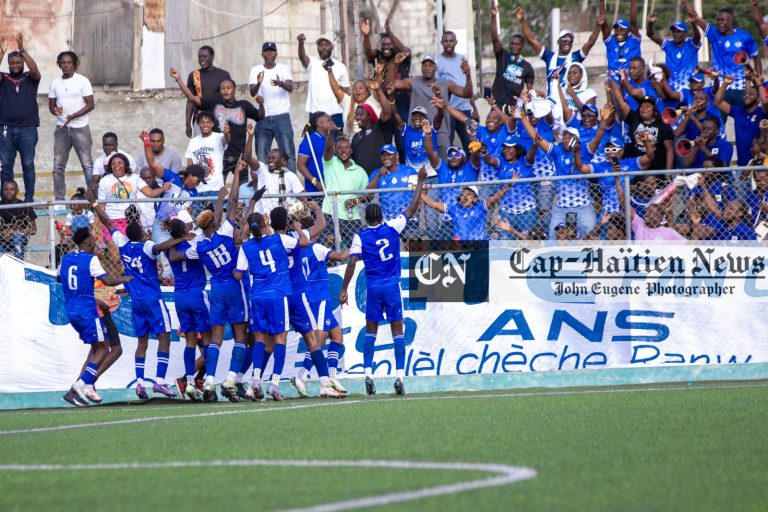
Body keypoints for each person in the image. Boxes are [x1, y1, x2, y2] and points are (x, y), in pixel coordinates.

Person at [88, 190, 187, 399]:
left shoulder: (123, 245)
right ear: (142, 233)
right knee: (164, 337)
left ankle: (140, 383)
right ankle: (159, 381)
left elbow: (108, 223)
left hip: (136, 301)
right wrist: (183, 237)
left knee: (142, 342)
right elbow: (161, 246)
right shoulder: (148, 246)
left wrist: (95, 203)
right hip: (152, 298)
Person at [339, 167, 427, 396]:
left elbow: (351, 263)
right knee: (398, 331)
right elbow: (413, 207)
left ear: (367, 218)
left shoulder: (360, 236)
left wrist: (344, 288)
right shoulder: (393, 227)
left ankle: (368, 374)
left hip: (374, 288)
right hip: (391, 287)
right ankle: (399, 377)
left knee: (371, 332)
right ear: (382, 216)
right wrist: (419, 182)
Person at [234, 207, 312, 401]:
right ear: (265, 224)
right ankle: (275, 384)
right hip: (278, 294)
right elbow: (304, 242)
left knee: (259, 340)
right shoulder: (279, 239)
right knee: (280, 339)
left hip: (258, 296)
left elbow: (238, 274)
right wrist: (299, 228)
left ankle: (256, 379)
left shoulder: (246, 247)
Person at [59, 228, 132, 406]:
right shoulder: (90, 259)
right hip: (88, 310)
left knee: (97, 347)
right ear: (88, 243)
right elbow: (107, 281)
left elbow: (58, 279)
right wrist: (125, 279)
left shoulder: (66, 258)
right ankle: (81, 385)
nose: (96, 243)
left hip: (72, 309)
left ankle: (84, 386)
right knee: (104, 348)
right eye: (93, 241)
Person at [290, 215, 350, 396]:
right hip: (319, 299)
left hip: (312, 297)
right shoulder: (316, 247)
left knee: (337, 335)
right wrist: (354, 247)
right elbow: (340, 256)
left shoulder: (297, 249)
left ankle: (332, 377)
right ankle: (301, 375)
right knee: (319, 340)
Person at [171, 67, 262, 181]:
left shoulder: (244, 105)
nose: (225, 90)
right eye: (222, 88)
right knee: (219, 190)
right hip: (220, 157)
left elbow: (260, 116)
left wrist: (261, 104)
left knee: (242, 192)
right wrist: (178, 79)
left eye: (228, 88)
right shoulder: (214, 104)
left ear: (234, 90)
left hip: (240, 156)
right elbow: (192, 98)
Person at [517, 109, 596, 238]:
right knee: (552, 238)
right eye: (565, 136)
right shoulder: (557, 151)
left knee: (589, 237)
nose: (567, 138)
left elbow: (598, 139)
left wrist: (603, 122)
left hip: (584, 206)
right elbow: (538, 138)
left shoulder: (585, 152)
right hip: (561, 206)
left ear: (578, 140)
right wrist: (523, 119)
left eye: (570, 136)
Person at [393, 55, 473, 158]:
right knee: (418, 163)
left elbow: (466, 93)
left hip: (440, 130)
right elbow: (392, 85)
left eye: (430, 65)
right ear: (421, 68)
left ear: (436, 67)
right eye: (425, 65)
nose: (427, 68)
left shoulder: (446, 83)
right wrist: (394, 65)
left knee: (443, 162)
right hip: (418, 130)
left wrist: (468, 76)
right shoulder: (413, 82)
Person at [685, 2, 761, 107]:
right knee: (718, 121)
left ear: (731, 21)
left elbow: (756, 57)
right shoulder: (714, 34)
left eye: (722, 20)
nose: (719, 23)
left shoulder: (744, 36)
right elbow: (694, 15)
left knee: (742, 120)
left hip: (740, 88)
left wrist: (758, 81)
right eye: (718, 20)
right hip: (720, 88)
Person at [167, 218, 210, 401]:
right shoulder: (194, 244)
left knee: (190, 342)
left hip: (180, 297)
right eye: (186, 226)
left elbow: (173, 250)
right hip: (196, 295)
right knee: (211, 342)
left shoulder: (171, 249)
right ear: (184, 231)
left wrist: (180, 236)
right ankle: (203, 383)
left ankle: (191, 381)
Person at [515, 7, 603, 95]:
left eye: (570, 41)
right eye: (564, 40)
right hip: (552, 103)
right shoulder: (549, 56)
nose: (567, 43)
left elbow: (590, 43)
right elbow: (532, 40)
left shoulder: (575, 57)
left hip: (569, 103)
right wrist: (522, 21)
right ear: (558, 41)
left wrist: (598, 26)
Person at [48, 50, 95, 202]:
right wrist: (56, 110)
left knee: (87, 165)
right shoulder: (55, 83)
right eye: (63, 63)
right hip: (61, 129)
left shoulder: (82, 81)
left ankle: (93, 200)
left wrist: (74, 115)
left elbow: (90, 105)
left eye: (69, 62)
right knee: (58, 166)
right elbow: (51, 106)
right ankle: (59, 200)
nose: (66, 65)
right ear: (59, 64)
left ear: (74, 64)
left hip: (80, 127)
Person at [360, 16, 412, 152]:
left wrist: (389, 31)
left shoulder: (403, 57)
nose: (386, 47)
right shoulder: (379, 57)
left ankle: (404, 170)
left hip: (401, 104)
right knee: (384, 144)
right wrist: (366, 36)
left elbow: (403, 48)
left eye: (389, 44)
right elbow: (368, 53)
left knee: (402, 144)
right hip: (383, 106)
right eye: (383, 44)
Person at [0, 33, 41, 202]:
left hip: (28, 128)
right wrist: (2, 55)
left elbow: (35, 69)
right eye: (12, 63)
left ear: (22, 63)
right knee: (6, 167)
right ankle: (5, 201)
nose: (15, 65)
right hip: (5, 129)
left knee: (28, 165)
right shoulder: (3, 78)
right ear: (8, 64)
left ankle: (29, 200)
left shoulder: (29, 78)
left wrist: (22, 50)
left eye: (18, 62)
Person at [248, 42, 296, 172]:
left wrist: (280, 83)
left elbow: (291, 87)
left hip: (282, 116)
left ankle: (293, 190)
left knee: (288, 154)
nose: (269, 54)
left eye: (272, 51)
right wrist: (259, 83)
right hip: (263, 118)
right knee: (262, 156)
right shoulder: (255, 70)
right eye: (267, 51)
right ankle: (264, 188)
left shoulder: (283, 68)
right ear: (262, 54)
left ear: (276, 54)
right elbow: (252, 92)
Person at [321, 134, 369, 248]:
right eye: (339, 148)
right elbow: (328, 148)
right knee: (325, 249)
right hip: (329, 213)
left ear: (351, 150)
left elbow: (369, 195)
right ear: (335, 150)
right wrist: (330, 131)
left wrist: (356, 201)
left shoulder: (360, 171)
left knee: (357, 251)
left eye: (346, 147)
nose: (343, 151)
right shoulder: (330, 163)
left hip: (351, 218)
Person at [243, 124, 301, 217]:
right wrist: (250, 136)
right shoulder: (263, 169)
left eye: (274, 158)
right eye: (269, 158)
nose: (270, 160)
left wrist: (303, 208)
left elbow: (302, 195)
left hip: (281, 219)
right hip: (262, 218)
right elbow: (247, 158)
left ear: (284, 162)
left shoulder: (291, 176)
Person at [609, 90, 674, 171]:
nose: (644, 108)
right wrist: (612, 83)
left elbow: (669, 149)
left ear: (654, 110)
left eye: (648, 106)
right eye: (642, 106)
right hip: (636, 168)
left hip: (656, 169)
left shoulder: (662, 125)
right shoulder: (634, 118)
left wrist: (668, 172)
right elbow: (621, 103)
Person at [421, 183, 510, 241]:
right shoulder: (455, 208)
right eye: (462, 194)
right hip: (461, 247)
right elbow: (433, 204)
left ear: (475, 199)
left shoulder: (480, 207)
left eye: (469, 194)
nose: (464, 197)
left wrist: (507, 186)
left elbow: (495, 198)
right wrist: (419, 191)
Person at [613, 173, 687, 241]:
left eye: (655, 183)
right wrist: (617, 178)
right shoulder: (634, 205)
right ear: (641, 185)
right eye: (652, 184)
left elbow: (669, 226)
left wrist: (669, 212)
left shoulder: (659, 201)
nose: (655, 186)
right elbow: (623, 202)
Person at [298, 33, 350, 127]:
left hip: (336, 113)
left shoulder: (340, 66)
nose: (323, 47)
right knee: (316, 141)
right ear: (318, 48)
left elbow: (345, 89)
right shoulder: (312, 62)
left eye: (326, 44)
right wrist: (301, 43)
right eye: (321, 45)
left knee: (336, 141)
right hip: (316, 113)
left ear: (332, 47)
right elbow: (302, 57)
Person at [714, 75, 768, 167]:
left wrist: (759, 84)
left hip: (761, 165)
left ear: (758, 98)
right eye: (745, 94)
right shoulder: (738, 111)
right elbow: (718, 102)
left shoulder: (763, 112)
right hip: (742, 166)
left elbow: (765, 103)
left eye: (751, 94)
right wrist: (725, 83)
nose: (747, 96)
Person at [490, 2, 534, 113]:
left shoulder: (527, 67)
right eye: (512, 43)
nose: (514, 46)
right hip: (498, 105)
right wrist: (493, 16)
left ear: (522, 46)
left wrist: (527, 102)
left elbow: (530, 91)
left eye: (517, 44)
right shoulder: (502, 56)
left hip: (514, 108)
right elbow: (495, 39)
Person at [437, 31, 475, 153]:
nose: (449, 43)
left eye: (451, 41)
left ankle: (471, 170)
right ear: (442, 43)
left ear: (456, 42)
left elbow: (467, 84)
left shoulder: (462, 59)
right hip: (449, 110)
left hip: (465, 109)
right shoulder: (437, 61)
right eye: (446, 41)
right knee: (448, 142)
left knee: (471, 142)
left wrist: (474, 107)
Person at [184, 46, 232, 138]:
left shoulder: (223, 75)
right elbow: (190, 101)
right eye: (200, 56)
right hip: (201, 119)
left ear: (212, 57)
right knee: (201, 148)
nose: (202, 59)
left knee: (222, 146)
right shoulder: (194, 76)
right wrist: (187, 124)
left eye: (205, 56)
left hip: (221, 117)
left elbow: (230, 99)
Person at [646, 13, 701, 91]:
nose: (675, 34)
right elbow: (650, 34)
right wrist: (650, 23)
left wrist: (693, 24)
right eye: (674, 31)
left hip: (688, 89)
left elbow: (697, 37)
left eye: (679, 31)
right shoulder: (668, 45)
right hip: (671, 90)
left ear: (685, 33)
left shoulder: (691, 45)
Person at [367, 144, 419, 226]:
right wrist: (379, 175)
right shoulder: (376, 173)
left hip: (407, 217)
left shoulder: (409, 171)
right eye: (383, 155)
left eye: (389, 154)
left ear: (397, 156)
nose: (386, 157)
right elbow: (368, 195)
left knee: (411, 237)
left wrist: (413, 212)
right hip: (387, 220)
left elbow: (417, 193)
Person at [351, 82, 395, 174]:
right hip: (363, 181)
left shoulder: (379, 128)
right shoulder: (355, 137)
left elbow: (386, 112)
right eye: (356, 115)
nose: (357, 117)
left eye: (361, 114)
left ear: (369, 116)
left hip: (381, 175)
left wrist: (378, 90)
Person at [184, 110, 228, 199]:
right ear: (198, 124)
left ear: (212, 124)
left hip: (216, 189)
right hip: (198, 190)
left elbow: (227, 140)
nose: (205, 125)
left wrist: (226, 133)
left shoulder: (218, 137)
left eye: (208, 122)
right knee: (198, 213)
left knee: (216, 213)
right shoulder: (193, 141)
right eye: (202, 122)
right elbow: (189, 165)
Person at [599, 0, 642, 72]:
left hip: (631, 77)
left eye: (622, 30)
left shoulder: (634, 40)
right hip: (613, 77)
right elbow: (604, 23)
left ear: (628, 31)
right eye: (616, 30)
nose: (618, 32)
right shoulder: (611, 42)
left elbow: (633, 21)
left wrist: (633, 1)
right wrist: (601, 1)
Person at [297, 111, 334, 193]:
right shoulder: (309, 140)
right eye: (329, 121)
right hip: (315, 190)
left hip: (331, 188)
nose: (332, 123)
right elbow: (300, 165)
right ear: (320, 124)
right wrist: (315, 182)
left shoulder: (331, 139)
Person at [0, 180, 36, 260]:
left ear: (17, 191)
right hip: (2, 238)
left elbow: (33, 230)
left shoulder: (25, 206)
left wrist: (13, 232)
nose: (8, 192)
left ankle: (18, 265)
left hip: (20, 237)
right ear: (3, 191)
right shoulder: (0, 206)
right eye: (6, 189)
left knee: (17, 237)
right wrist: (3, 232)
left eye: (11, 189)